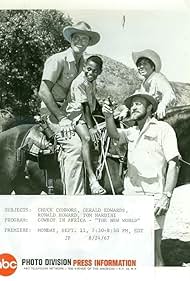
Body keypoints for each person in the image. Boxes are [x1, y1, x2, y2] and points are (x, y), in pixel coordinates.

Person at [102, 90, 180, 266]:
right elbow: (114, 135)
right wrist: (108, 117)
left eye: (138, 103)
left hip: (153, 198)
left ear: (150, 107)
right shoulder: (132, 132)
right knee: (135, 249)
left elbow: (174, 164)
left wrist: (166, 196)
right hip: (131, 195)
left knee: (154, 252)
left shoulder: (163, 129)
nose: (133, 107)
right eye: (132, 105)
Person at [38, 21, 100, 195]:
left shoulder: (85, 65)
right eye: (77, 37)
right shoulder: (57, 60)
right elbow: (43, 91)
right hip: (52, 111)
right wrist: (61, 118)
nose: (80, 41)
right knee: (74, 147)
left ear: (88, 42)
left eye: (85, 38)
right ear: (71, 39)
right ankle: (74, 201)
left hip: (72, 112)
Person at [66, 55, 106, 194]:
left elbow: (92, 101)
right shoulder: (79, 82)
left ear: (99, 72)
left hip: (88, 113)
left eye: (95, 71)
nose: (91, 73)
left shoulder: (92, 81)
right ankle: (92, 178)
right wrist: (91, 127)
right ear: (84, 68)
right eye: (88, 69)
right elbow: (84, 107)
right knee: (87, 138)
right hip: (76, 115)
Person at [132, 49, 176, 119]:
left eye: (145, 64)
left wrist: (162, 105)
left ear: (152, 67)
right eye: (139, 64)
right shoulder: (143, 84)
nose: (141, 67)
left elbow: (169, 93)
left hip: (163, 115)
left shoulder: (158, 77)